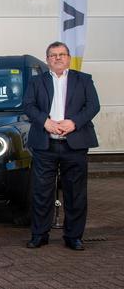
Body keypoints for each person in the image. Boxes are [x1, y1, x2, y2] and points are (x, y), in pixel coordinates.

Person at [23, 41, 100, 251]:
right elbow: (28, 105)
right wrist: (45, 122)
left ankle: (73, 236)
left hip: (74, 145)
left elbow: (93, 106)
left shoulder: (83, 79)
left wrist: (73, 122)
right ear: (47, 59)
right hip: (45, 145)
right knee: (41, 193)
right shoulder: (36, 81)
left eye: (62, 54)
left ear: (68, 58)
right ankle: (39, 235)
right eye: (53, 55)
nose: (58, 58)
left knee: (76, 193)